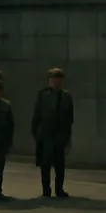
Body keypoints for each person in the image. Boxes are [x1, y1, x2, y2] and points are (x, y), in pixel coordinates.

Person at [31, 67, 74, 198]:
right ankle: (46, 189)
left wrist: (66, 135)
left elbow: (70, 118)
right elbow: (37, 116)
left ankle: (59, 189)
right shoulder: (43, 95)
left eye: (59, 80)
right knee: (45, 165)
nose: (56, 82)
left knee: (60, 165)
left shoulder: (66, 97)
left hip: (60, 135)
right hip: (46, 135)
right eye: (54, 79)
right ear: (50, 81)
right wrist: (37, 134)